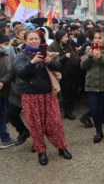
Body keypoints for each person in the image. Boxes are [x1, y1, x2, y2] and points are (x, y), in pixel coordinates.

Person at [14, 30, 72, 166]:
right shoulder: (21, 56)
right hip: (31, 97)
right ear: (25, 40)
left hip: (48, 94)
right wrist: (32, 62)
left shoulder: (46, 53)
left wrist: (49, 61)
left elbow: (59, 67)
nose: (34, 41)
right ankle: (41, 152)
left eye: (37, 39)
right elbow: (21, 74)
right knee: (35, 126)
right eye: (31, 39)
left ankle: (61, 147)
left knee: (55, 123)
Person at [80, 28, 104, 143]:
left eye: (100, 38)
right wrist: (90, 56)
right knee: (95, 110)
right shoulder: (88, 49)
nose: (97, 40)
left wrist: (100, 57)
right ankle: (98, 132)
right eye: (95, 38)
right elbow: (82, 65)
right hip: (91, 85)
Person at [48, 30, 81, 120]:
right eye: (65, 37)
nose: (67, 38)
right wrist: (64, 57)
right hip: (57, 73)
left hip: (68, 73)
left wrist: (78, 58)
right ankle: (54, 113)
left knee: (67, 92)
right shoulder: (52, 47)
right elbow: (53, 61)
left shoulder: (67, 45)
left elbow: (73, 56)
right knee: (56, 94)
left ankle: (68, 111)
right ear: (60, 37)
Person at [0, 33, 16, 148]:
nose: (7, 47)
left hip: (4, 90)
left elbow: (9, 71)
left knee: (3, 113)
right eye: (5, 44)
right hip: (1, 90)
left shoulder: (3, 54)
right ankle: (5, 139)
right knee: (2, 115)